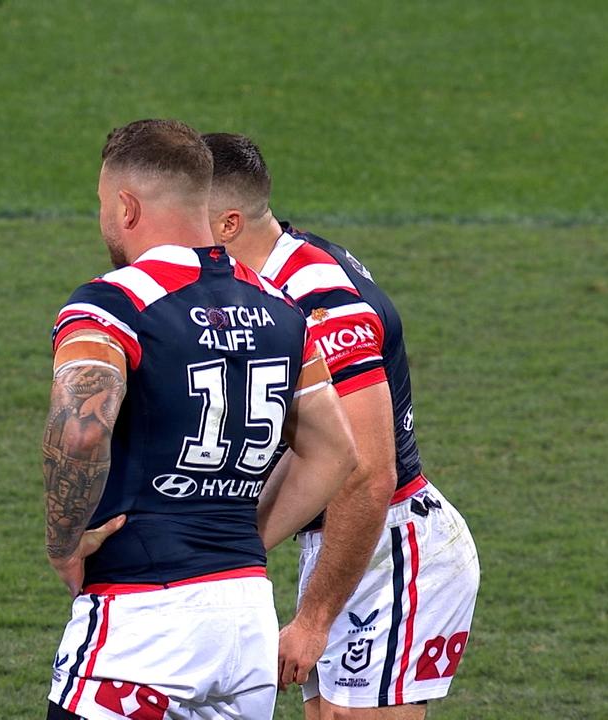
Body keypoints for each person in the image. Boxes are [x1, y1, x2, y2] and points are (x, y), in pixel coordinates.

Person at [42, 119, 358, 720]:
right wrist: (242, 540)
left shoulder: (110, 305)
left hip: (141, 624)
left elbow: (80, 428)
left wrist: (64, 543)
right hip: (244, 623)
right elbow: (336, 452)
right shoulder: (283, 309)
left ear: (127, 206)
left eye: (104, 205)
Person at [203, 132, 480, 719]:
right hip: (349, 542)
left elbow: (368, 473)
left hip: (390, 545)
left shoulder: (317, 298)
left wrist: (313, 620)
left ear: (228, 224)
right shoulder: (282, 270)